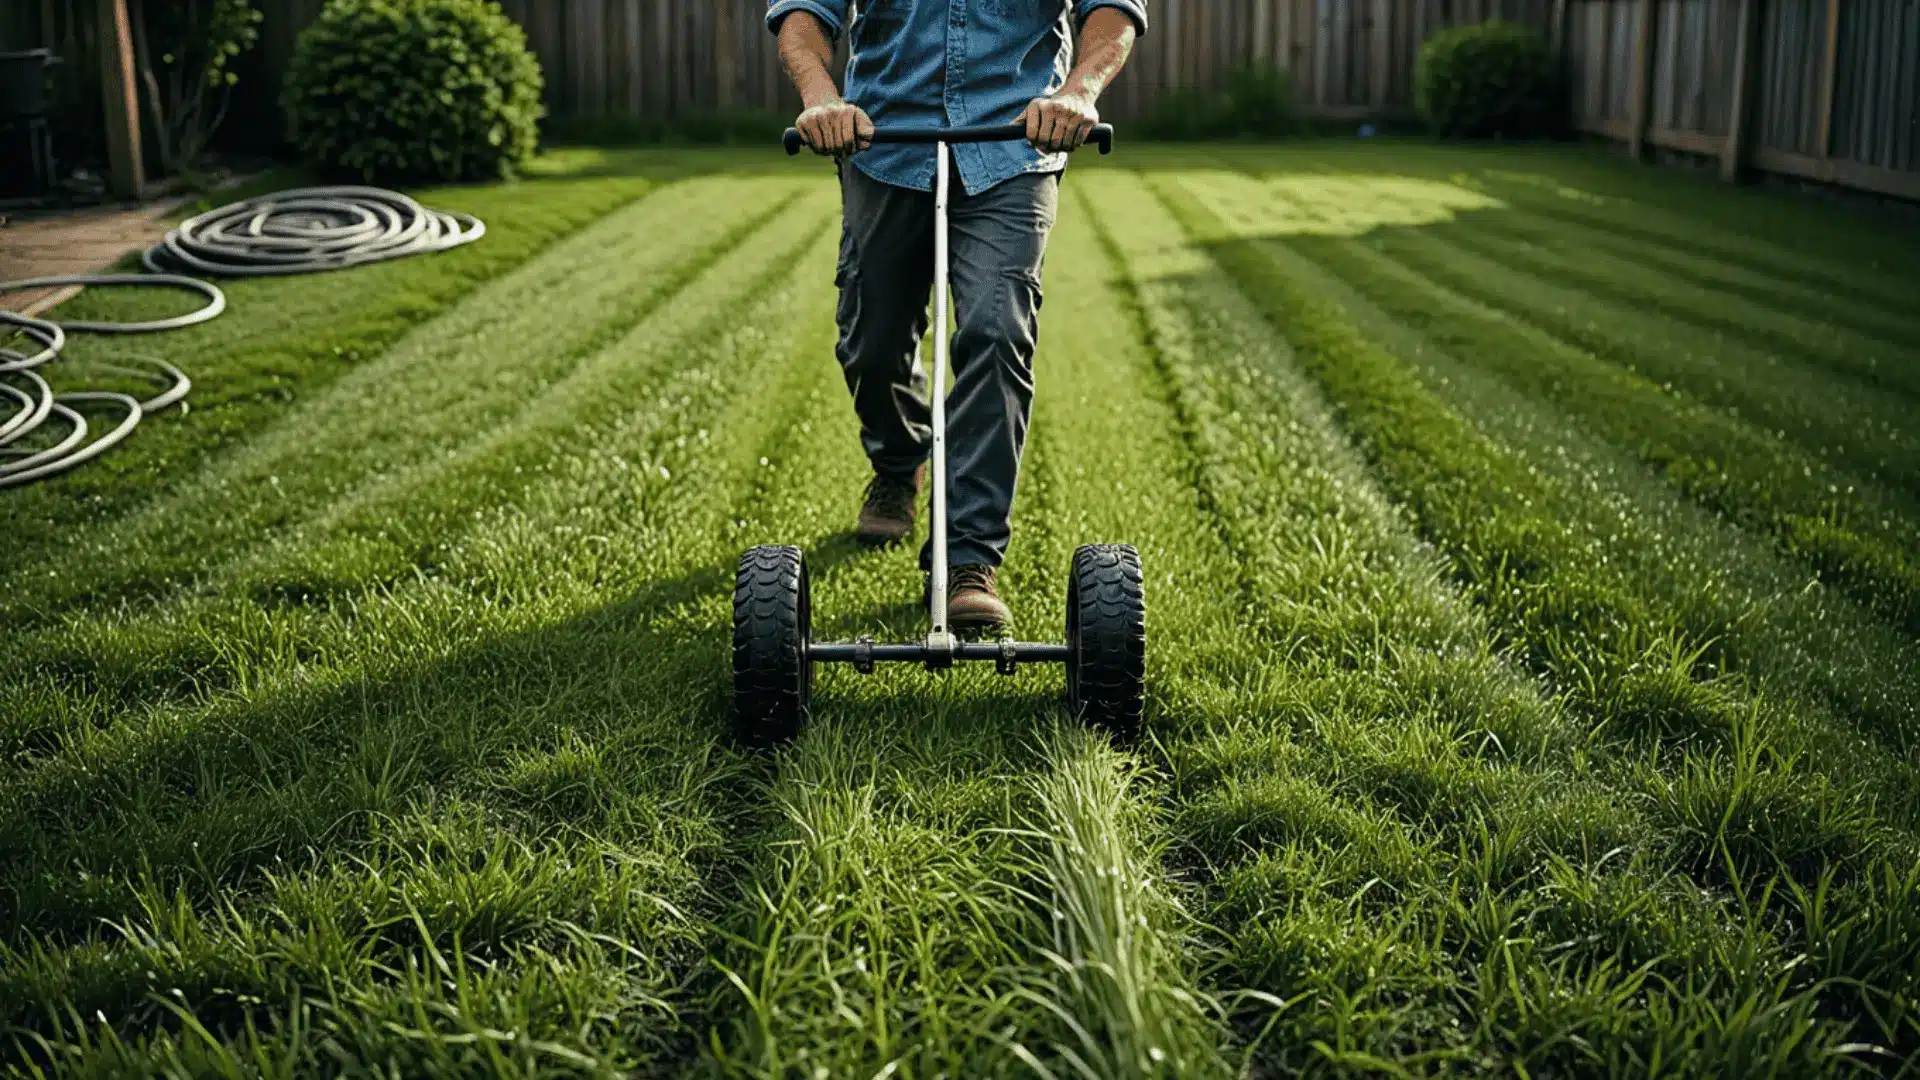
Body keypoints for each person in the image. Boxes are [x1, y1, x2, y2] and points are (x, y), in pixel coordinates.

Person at [767, 0, 1146, 631]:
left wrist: (1079, 93)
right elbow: (805, 14)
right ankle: (897, 463)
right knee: (872, 343)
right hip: (883, 141)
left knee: (998, 333)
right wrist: (821, 97)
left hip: (1014, 146)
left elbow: (1114, 10)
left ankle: (967, 561)